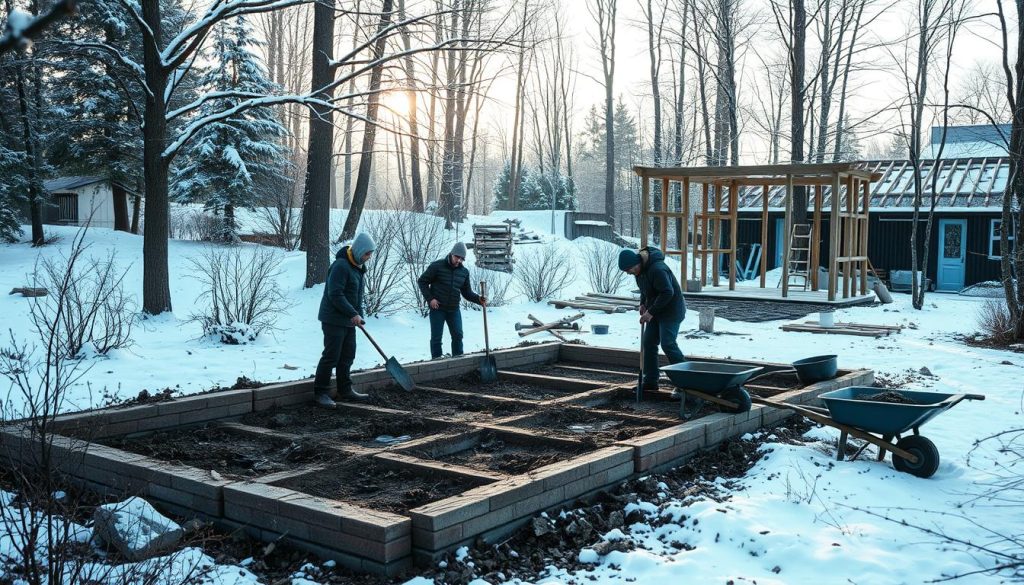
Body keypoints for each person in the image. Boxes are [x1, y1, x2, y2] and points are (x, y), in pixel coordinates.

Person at [314, 232, 376, 408]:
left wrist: (359, 315)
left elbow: (356, 296)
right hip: (333, 319)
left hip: (348, 320)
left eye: (370, 254)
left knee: (348, 355)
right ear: (359, 250)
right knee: (331, 356)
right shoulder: (341, 266)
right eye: (367, 253)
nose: (368, 257)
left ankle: (345, 389)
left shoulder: (357, 267)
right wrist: (352, 313)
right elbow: (335, 294)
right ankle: (321, 392)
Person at [618, 246, 686, 395]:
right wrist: (643, 304)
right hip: (656, 310)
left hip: (671, 311)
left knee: (668, 343)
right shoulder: (639, 272)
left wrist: (651, 312)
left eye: (629, 269)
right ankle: (650, 381)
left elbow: (668, 292)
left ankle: (685, 383)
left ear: (637, 263)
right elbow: (645, 290)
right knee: (648, 342)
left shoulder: (657, 269)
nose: (629, 273)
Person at [418, 242, 488, 359]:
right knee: (436, 337)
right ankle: (436, 361)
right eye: (457, 257)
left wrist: (479, 299)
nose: (459, 261)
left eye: (462, 259)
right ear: (451, 254)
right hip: (437, 308)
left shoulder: (464, 272)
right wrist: (430, 299)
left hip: (454, 309)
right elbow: (422, 281)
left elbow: (466, 292)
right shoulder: (437, 266)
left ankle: (458, 360)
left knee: (458, 335)